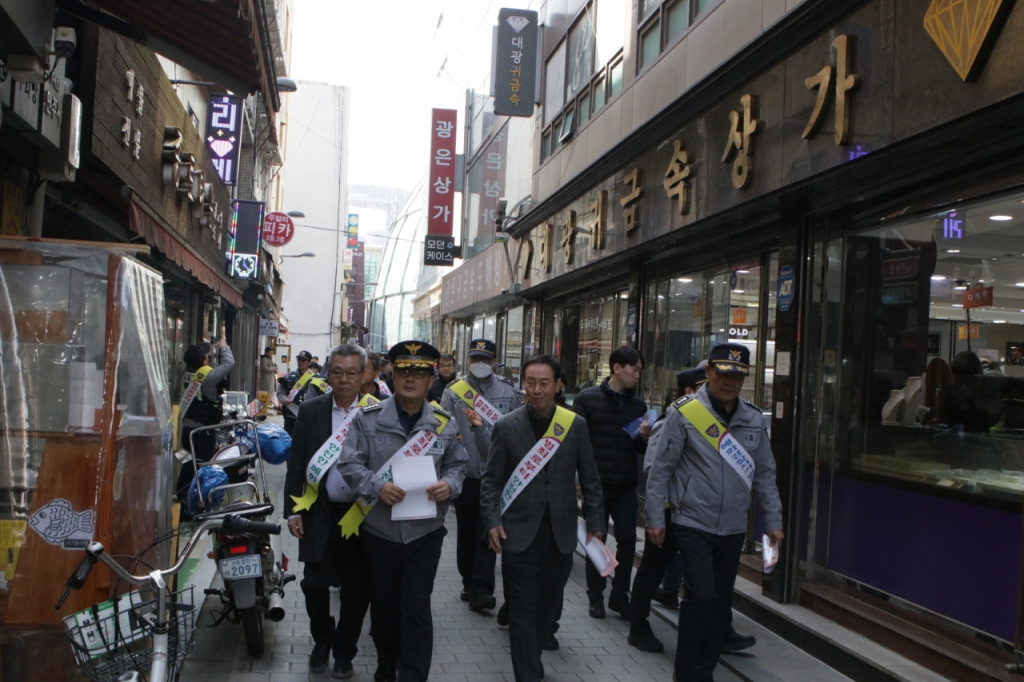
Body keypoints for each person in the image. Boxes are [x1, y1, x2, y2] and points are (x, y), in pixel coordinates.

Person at [645, 342, 784, 682]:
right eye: (723, 373)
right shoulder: (686, 412)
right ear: (708, 373)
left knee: (719, 603)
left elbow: (765, 472)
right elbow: (661, 468)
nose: (729, 382)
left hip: (734, 526)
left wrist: (774, 520)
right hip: (692, 521)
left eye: (737, 376)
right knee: (701, 594)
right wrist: (654, 518)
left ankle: (702, 672)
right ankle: (687, 673)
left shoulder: (752, 417)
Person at [337, 340, 468, 682]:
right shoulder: (368, 419)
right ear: (392, 374)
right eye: (405, 371)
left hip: (425, 532)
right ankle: (386, 665)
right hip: (379, 532)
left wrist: (449, 485)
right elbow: (349, 464)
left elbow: (458, 466)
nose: (411, 379)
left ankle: (412, 675)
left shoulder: (443, 422)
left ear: (431, 378)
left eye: (420, 372)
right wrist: (376, 487)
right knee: (384, 608)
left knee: (416, 607)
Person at [480, 355, 606, 682]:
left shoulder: (574, 424)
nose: (536, 390)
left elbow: (590, 477)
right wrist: (492, 519)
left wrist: (596, 522)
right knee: (522, 609)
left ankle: (531, 660)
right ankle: (527, 674)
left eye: (544, 383)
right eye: (531, 382)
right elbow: (491, 479)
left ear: (558, 385)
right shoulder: (506, 426)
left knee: (547, 610)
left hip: (561, 533)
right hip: (518, 532)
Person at [285, 344, 377, 677]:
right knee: (313, 584)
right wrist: (291, 511)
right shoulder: (311, 410)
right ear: (328, 372)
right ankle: (322, 638)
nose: (344, 379)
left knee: (357, 588)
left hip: (361, 515)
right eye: (337, 371)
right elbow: (296, 463)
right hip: (317, 512)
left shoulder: (376, 411)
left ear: (364, 374)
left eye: (352, 372)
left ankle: (344, 651)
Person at [571, 345, 651, 619]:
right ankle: (596, 595)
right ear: (617, 367)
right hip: (596, 483)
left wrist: (643, 437)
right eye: (634, 369)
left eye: (640, 370)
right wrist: (579, 479)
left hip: (626, 482)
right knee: (598, 536)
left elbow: (640, 450)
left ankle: (619, 594)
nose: (637, 375)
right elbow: (575, 443)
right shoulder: (587, 399)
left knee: (628, 538)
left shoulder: (639, 405)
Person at [440, 339, 518, 612]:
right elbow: (445, 431)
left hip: (496, 475)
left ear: (495, 362)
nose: (480, 365)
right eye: (475, 359)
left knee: (488, 529)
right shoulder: (453, 391)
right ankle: (468, 580)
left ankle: (482, 589)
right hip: (466, 473)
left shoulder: (508, 390)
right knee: (466, 529)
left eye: (485, 359)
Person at [176, 337, 235, 502]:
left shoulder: (186, 372)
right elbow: (229, 363)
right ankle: (196, 502)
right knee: (202, 467)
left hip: (187, 429)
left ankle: (181, 499)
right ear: (204, 360)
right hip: (203, 431)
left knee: (189, 465)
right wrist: (224, 346)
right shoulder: (209, 378)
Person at [278, 350, 317, 435]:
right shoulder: (289, 377)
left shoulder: (315, 379)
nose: (300, 362)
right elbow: (280, 392)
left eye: (303, 360)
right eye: (299, 360)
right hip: (290, 417)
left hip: (308, 419)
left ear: (309, 362)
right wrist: (285, 400)